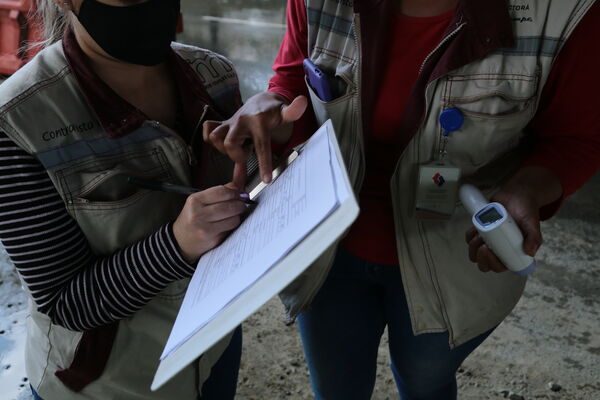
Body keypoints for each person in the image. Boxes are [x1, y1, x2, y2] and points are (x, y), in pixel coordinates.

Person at [204, 0, 600, 399]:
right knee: (337, 386)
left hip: (455, 257)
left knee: (425, 379)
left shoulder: (564, 13)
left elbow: (575, 138)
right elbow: (293, 84)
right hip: (329, 250)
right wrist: (269, 107)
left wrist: (526, 189)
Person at [0, 0, 248, 399]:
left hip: (214, 350)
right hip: (109, 383)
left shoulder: (214, 75)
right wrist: (176, 245)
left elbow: (246, 194)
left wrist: (268, 138)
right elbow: (66, 302)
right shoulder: (18, 122)